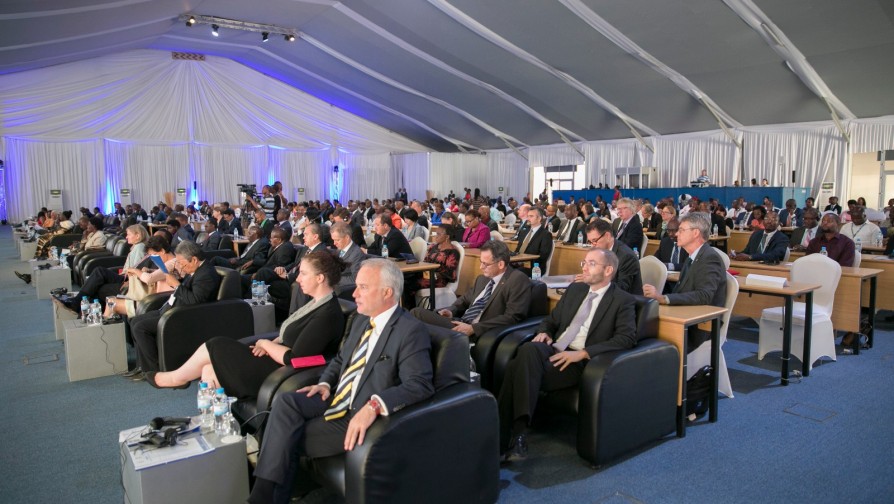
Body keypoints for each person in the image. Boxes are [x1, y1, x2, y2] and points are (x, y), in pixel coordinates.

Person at [247, 259, 434, 504]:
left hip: (358, 412)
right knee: (286, 403)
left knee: (285, 437)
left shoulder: (410, 331)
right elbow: (340, 359)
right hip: (336, 396)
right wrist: (325, 383)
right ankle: (266, 496)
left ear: (387, 293)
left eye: (363, 287)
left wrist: (374, 406)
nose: (354, 293)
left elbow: (419, 384)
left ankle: (263, 498)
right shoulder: (360, 319)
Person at [498, 248, 637, 460]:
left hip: (579, 360)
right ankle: (517, 436)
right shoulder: (575, 289)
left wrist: (583, 353)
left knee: (517, 366)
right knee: (528, 349)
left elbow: (626, 338)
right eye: (584, 262)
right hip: (555, 347)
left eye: (591, 263)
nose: (584, 267)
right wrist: (544, 332)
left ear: (608, 270)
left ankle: (505, 434)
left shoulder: (622, 300)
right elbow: (551, 320)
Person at [147, 251, 346, 396]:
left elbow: (295, 358)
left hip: (280, 371)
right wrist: (273, 343)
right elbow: (292, 335)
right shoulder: (315, 303)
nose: (298, 278)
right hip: (272, 357)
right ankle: (217, 432)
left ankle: (176, 378)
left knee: (215, 345)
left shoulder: (327, 313)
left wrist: (265, 344)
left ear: (320, 278)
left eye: (303, 273)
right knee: (208, 370)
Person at [126, 241, 222, 380]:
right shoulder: (196, 269)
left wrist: (177, 285)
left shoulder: (206, 274)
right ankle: (142, 366)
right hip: (172, 308)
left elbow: (195, 301)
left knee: (141, 327)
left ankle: (153, 371)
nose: (181, 266)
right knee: (135, 321)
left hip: (182, 316)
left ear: (194, 259)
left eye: (183, 263)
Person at [410, 240, 530, 340]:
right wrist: (451, 310)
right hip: (460, 322)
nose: (481, 267)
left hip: (478, 330)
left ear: (500, 264)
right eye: (480, 262)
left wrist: (473, 328)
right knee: (418, 327)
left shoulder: (517, 279)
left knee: (416, 314)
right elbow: (465, 299)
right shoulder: (482, 279)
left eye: (485, 264)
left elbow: (512, 317)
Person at [642, 212, 726, 349]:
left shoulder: (709, 258)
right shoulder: (692, 257)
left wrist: (663, 298)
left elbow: (704, 295)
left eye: (681, 230)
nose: (676, 234)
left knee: (646, 341)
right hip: (685, 317)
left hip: (700, 325)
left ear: (696, 233)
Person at [65, 224, 148, 309]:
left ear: (137, 236)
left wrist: (129, 281)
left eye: (129, 234)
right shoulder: (136, 247)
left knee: (99, 271)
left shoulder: (139, 247)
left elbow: (137, 269)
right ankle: (81, 305)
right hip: (124, 276)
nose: (126, 237)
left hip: (128, 279)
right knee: (98, 281)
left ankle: (77, 302)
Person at [104, 236, 177, 319]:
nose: (153, 259)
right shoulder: (169, 263)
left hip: (157, 302)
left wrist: (135, 270)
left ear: (162, 251)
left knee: (112, 303)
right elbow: (161, 275)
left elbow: (149, 279)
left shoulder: (171, 264)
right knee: (111, 300)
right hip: (153, 299)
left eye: (154, 255)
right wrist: (149, 270)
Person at [583, 219, 643, 295]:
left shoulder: (626, 256)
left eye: (595, 240)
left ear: (607, 236)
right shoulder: (599, 252)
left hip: (624, 301)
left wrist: (593, 281)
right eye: (590, 242)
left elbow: (622, 288)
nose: (593, 245)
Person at [405, 228, 460, 306]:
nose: (435, 236)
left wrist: (432, 274)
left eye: (438, 234)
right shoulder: (432, 247)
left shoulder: (453, 251)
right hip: (425, 274)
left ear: (447, 237)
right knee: (404, 280)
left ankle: (411, 310)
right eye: (435, 234)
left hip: (439, 279)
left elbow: (449, 272)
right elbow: (425, 263)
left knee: (410, 285)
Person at [512, 207, 552, 276]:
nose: (528, 219)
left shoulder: (545, 234)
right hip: (518, 263)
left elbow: (543, 256)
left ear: (539, 218)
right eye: (528, 216)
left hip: (534, 267)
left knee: (514, 273)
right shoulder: (524, 231)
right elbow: (518, 250)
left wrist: (524, 262)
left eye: (531, 216)